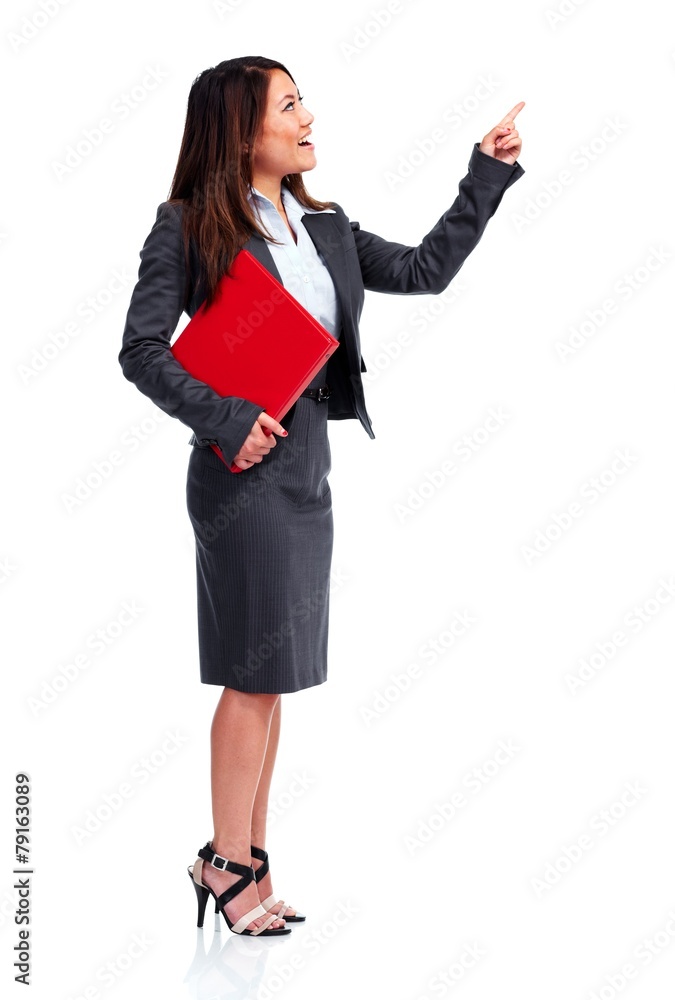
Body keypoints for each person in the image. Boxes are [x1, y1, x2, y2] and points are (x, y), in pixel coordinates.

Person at [118, 56, 525, 938]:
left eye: (303, 101)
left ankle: (250, 858)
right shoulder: (189, 226)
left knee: (276, 677)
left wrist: (484, 176)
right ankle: (224, 862)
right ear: (240, 130)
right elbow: (141, 351)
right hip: (240, 469)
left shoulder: (325, 227)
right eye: (288, 105)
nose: (307, 118)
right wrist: (228, 419)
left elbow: (423, 270)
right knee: (250, 676)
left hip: (308, 464)